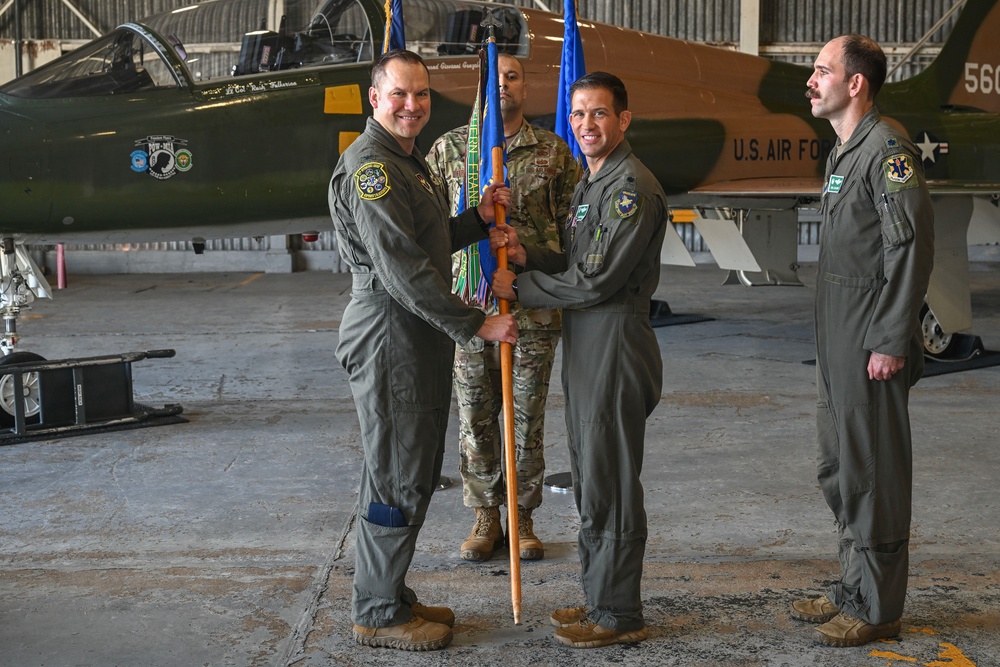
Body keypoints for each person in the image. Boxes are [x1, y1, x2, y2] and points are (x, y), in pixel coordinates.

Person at [328, 49, 517, 652]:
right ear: (374, 99)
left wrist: (473, 219)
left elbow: (424, 239)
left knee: (404, 466)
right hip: (392, 333)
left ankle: (389, 590)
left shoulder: (408, 163)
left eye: (422, 96)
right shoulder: (372, 169)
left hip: (414, 332)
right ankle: (378, 613)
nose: (413, 106)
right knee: (397, 474)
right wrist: (476, 323)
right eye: (400, 95)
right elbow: (404, 269)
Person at [492, 71, 668, 649]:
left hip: (614, 341)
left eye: (598, 114)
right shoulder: (594, 183)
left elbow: (594, 282)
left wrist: (522, 287)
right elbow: (575, 260)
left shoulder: (628, 188)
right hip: (589, 340)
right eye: (577, 114)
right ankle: (601, 597)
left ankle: (619, 614)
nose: (585, 125)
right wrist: (528, 253)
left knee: (611, 481)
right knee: (593, 477)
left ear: (623, 120)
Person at [793, 35, 934, 647]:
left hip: (870, 343)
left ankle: (878, 610)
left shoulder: (887, 152)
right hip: (839, 339)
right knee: (843, 468)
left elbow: (911, 250)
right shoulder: (844, 153)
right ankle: (852, 588)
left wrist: (891, 337)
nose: (811, 80)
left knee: (873, 472)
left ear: (856, 84)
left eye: (822, 70)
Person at [425, 53, 583, 563]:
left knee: (526, 418)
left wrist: (525, 252)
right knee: (475, 416)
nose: (504, 85)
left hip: (529, 312)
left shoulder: (554, 153)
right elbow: (429, 234)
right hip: (470, 309)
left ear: (525, 86)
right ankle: (485, 514)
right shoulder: (451, 151)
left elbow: (572, 238)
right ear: (481, 86)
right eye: (495, 78)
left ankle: (522, 516)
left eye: (513, 76)